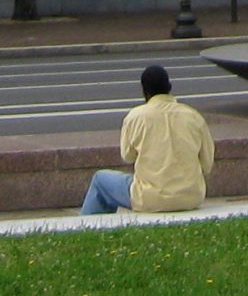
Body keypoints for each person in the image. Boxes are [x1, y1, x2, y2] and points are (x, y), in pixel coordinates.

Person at [81, 64, 214, 217]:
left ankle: (87, 228)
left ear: (144, 91)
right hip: (191, 197)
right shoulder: (194, 116)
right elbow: (207, 164)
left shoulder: (135, 117)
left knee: (100, 180)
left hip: (150, 198)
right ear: (169, 87)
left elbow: (127, 156)